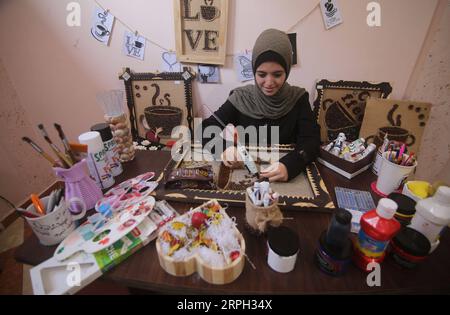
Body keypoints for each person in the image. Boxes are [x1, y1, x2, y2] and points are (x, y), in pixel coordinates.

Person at [202, 29, 320, 182]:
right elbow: (205, 129)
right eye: (262, 74)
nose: (269, 83)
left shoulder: (298, 99)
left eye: (277, 74)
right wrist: (224, 148)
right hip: (245, 175)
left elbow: (311, 141)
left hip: (284, 176)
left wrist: (290, 165)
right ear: (253, 71)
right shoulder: (241, 98)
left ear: (287, 71)